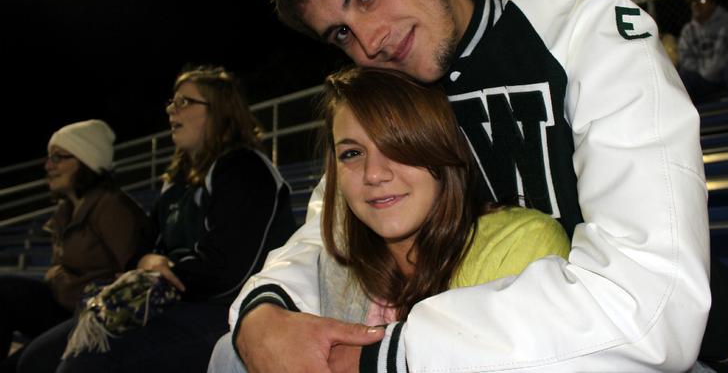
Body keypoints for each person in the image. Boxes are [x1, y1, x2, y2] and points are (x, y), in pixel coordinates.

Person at [227, 0, 728, 373]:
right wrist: (262, 310)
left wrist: (390, 356)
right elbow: (328, 222)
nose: (369, 41)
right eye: (341, 32)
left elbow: (652, 302)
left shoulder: (581, 27)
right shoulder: (394, 86)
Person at [209, 67, 570, 372]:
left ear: (440, 148)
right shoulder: (342, 267)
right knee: (228, 352)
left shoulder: (522, 245)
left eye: (397, 146)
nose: (374, 174)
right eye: (352, 153)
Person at [24, 66, 297, 373]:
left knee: (84, 365)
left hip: (229, 310)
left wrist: (160, 272)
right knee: (35, 360)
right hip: (178, 301)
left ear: (219, 111)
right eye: (171, 102)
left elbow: (225, 270)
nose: (170, 109)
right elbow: (140, 249)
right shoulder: (176, 181)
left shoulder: (246, 168)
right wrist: (149, 262)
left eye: (184, 102)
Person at [0, 119, 154, 372]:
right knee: (5, 290)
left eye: (59, 157)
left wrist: (70, 284)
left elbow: (133, 277)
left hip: (91, 314)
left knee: (21, 365)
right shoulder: (65, 211)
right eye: (49, 157)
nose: (48, 165)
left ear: (86, 161)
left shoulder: (111, 206)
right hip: (64, 307)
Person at [678, 0, 728, 104]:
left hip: (725, 72)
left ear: (713, 4)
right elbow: (685, 58)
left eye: (702, 1)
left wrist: (717, 65)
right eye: (693, 2)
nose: (697, 5)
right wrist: (703, 70)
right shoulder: (688, 30)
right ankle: (689, 118)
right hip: (702, 76)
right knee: (683, 76)